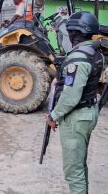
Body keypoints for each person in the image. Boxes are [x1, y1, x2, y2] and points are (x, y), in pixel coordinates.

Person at [45, 11, 103, 194]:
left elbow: (71, 97)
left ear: (73, 33)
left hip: (76, 118)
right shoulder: (94, 52)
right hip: (88, 111)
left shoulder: (78, 58)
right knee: (79, 164)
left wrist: (53, 116)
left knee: (73, 171)